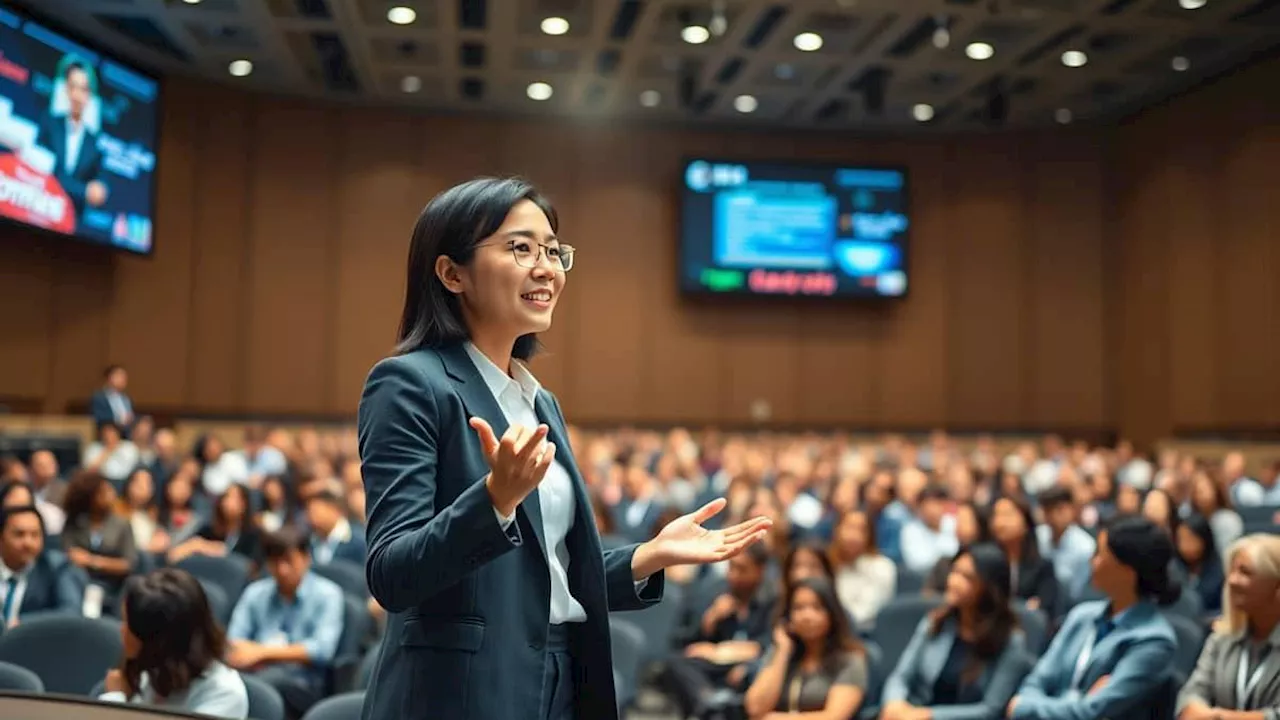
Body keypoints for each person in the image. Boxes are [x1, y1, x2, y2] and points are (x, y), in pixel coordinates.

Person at [357, 177, 771, 720]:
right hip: (462, 690)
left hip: (561, 678)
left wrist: (651, 555)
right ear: (451, 272)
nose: (546, 267)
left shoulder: (539, 401)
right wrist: (493, 501)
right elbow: (391, 573)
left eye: (553, 251)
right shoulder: (409, 384)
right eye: (520, 248)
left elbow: (549, 571)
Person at [1006, 515, 1180, 720]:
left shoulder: (1154, 640)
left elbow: (1092, 712)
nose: (1092, 561)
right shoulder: (1081, 616)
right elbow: (1035, 682)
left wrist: (1024, 709)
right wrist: (1077, 701)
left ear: (1127, 572)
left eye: (1100, 554)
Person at [881, 543, 1028, 720]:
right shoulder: (936, 621)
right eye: (955, 571)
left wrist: (928, 716)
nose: (953, 581)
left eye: (967, 577)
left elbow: (991, 710)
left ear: (990, 589)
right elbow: (901, 676)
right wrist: (894, 703)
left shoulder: (1010, 641)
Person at [99, 568, 248, 718]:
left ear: (156, 642)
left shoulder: (225, 695)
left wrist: (114, 699)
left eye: (128, 624)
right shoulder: (150, 673)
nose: (121, 631)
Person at [1177, 534, 1280, 720]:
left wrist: (1217, 717)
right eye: (1232, 571)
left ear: (1277, 585)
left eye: (1245, 572)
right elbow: (1190, 696)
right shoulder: (1222, 638)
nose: (1232, 581)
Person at [743, 577, 868, 719]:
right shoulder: (780, 653)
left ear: (832, 614)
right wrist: (783, 651)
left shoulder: (850, 660)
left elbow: (834, 716)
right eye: (798, 608)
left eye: (817, 607)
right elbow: (754, 708)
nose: (807, 616)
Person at [35, 58, 107, 218]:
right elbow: (43, 168)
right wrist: (84, 190)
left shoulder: (95, 142)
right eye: (73, 87)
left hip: (73, 222)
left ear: (89, 95)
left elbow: (100, 180)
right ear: (66, 89)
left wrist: (100, 189)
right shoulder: (49, 122)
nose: (77, 95)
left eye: (83, 89)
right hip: (39, 209)